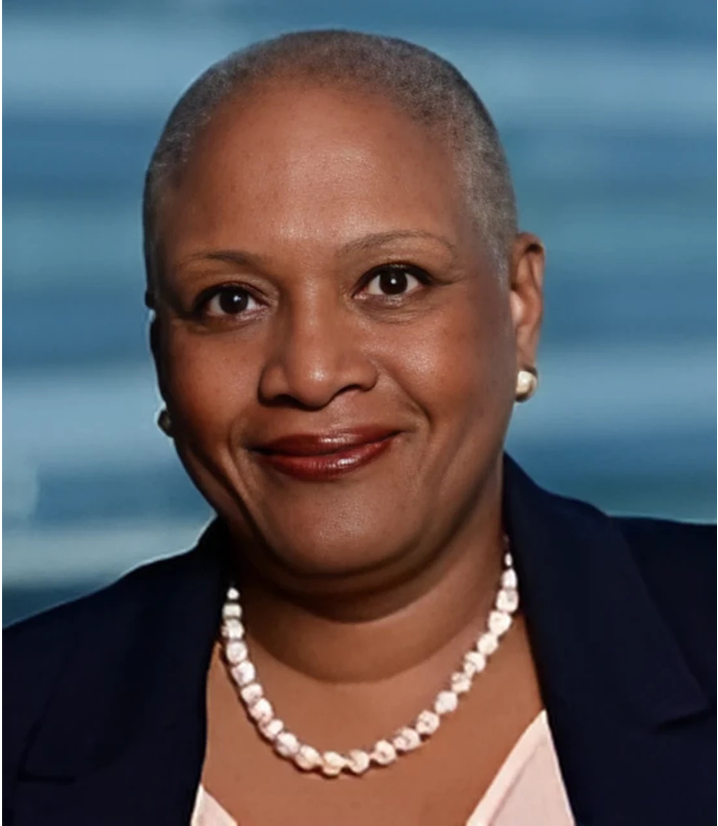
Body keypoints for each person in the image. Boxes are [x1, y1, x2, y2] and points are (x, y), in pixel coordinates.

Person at [3, 30, 714, 826]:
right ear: (163, 348)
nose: (309, 374)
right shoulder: (19, 722)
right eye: (231, 301)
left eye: (391, 281)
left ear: (519, 305)